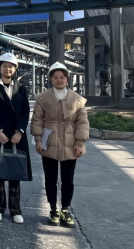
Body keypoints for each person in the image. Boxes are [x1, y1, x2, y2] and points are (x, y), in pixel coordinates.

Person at [31, 61, 89, 228]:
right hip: (49, 142)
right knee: (50, 179)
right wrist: (38, 139)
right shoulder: (43, 98)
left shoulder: (77, 100)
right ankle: (53, 209)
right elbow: (37, 120)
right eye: (55, 77)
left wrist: (80, 143)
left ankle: (65, 209)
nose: (59, 80)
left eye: (62, 77)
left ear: (67, 79)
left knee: (68, 180)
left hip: (70, 144)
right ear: (51, 79)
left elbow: (82, 122)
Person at [0, 52, 33, 224]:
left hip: (16, 135)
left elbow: (25, 112)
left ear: (15, 69)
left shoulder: (22, 88)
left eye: (11, 66)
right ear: (0, 68)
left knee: (15, 171)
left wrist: (19, 131)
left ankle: (15, 209)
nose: (7, 69)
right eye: (4, 66)